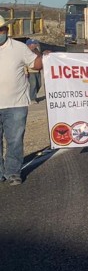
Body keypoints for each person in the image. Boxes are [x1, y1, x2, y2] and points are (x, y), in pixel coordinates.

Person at [0, 16, 43, 185]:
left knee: (14, 141)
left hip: (16, 105)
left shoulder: (19, 48)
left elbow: (36, 64)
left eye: (1, 30)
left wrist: (41, 53)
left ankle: (12, 173)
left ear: (6, 30)